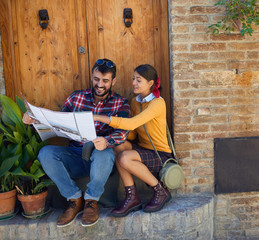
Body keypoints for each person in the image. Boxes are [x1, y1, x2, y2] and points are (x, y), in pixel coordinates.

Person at [22, 58, 130, 227]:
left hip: (101, 160)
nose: (100, 84)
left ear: (113, 81)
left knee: (105, 151)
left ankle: (91, 202)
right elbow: (56, 123)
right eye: (96, 79)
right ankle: (74, 198)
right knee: (46, 153)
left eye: (105, 81)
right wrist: (34, 120)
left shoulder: (121, 103)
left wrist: (107, 140)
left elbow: (124, 132)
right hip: (75, 156)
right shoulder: (76, 97)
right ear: (91, 76)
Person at [93, 64, 172, 216]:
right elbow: (133, 133)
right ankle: (132, 198)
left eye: (139, 80)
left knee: (124, 158)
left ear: (150, 83)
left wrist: (99, 117)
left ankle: (160, 191)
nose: (134, 83)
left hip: (160, 154)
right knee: (118, 144)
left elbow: (132, 123)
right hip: (142, 149)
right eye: (133, 79)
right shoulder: (135, 102)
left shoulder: (158, 103)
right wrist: (117, 132)